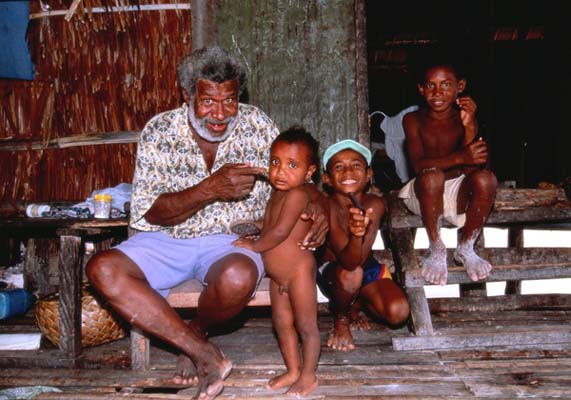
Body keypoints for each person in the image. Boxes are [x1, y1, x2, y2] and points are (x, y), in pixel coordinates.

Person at [85, 47, 327, 400]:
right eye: (208, 101)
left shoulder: (257, 125)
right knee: (102, 269)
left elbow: (299, 176)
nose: (220, 114)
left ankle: (195, 334)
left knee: (237, 277)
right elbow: (150, 212)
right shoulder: (161, 130)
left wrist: (318, 204)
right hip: (165, 238)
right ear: (187, 95)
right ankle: (203, 353)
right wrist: (209, 189)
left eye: (229, 100)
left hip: (231, 242)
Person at [233, 126, 322, 396]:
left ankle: (309, 376)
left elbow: (281, 232)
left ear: (309, 172)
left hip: (298, 272)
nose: (280, 171)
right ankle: (293, 369)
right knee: (282, 324)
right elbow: (271, 223)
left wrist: (254, 244)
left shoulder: (299, 194)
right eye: (275, 162)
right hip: (278, 277)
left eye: (292, 165)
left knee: (307, 326)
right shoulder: (277, 193)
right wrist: (253, 226)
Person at [398, 54, 498, 286]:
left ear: (459, 87)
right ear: (421, 89)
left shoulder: (466, 118)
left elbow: (474, 167)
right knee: (432, 175)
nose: (437, 92)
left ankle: (465, 247)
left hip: (456, 192)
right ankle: (437, 248)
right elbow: (418, 165)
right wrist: (461, 156)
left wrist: (470, 124)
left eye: (445, 85)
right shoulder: (413, 119)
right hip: (423, 192)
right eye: (430, 86)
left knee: (486, 179)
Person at [317, 139, 410, 351]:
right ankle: (341, 317)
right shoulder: (326, 206)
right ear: (327, 178)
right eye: (338, 167)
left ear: (368, 175)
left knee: (398, 312)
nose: (348, 171)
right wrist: (356, 234)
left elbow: (359, 260)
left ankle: (356, 304)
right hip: (335, 273)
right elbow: (349, 263)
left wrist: (358, 234)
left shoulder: (374, 204)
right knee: (352, 275)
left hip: (363, 266)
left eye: (356, 165)